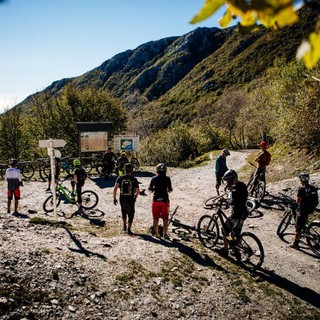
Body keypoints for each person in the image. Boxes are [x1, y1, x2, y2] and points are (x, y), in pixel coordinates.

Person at [218, 169, 249, 256]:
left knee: (224, 230)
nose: (228, 182)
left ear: (234, 178)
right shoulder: (242, 185)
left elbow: (232, 201)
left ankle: (225, 248)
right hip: (244, 212)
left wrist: (225, 201)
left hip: (237, 213)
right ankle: (236, 248)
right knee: (236, 232)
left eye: (229, 180)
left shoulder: (235, 188)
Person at [290, 173, 319, 249]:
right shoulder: (313, 188)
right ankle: (305, 228)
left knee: (297, 229)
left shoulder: (302, 189)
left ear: (301, 180)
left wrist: (295, 204)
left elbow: (298, 201)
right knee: (304, 221)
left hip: (303, 210)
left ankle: (296, 244)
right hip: (311, 209)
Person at [113, 163, 140, 235]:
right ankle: (129, 229)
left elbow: (115, 188)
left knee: (123, 211)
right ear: (131, 170)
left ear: (124, 170)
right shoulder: (134, 179)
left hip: (122, 198)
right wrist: (135, 196)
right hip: (130, 198)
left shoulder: (120, 178)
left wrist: (114, 198)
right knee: (131, 213)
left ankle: (124, 226)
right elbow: (138, 191)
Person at [148, 163, 173, 240]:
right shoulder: (167, 179)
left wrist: (154, 189)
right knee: (165, 218)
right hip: (165, 200)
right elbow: (170, 190)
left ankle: (157, 234)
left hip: (156, 200)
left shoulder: (153, 178)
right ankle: (165, 234)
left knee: (155, 218)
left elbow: (149, 189)